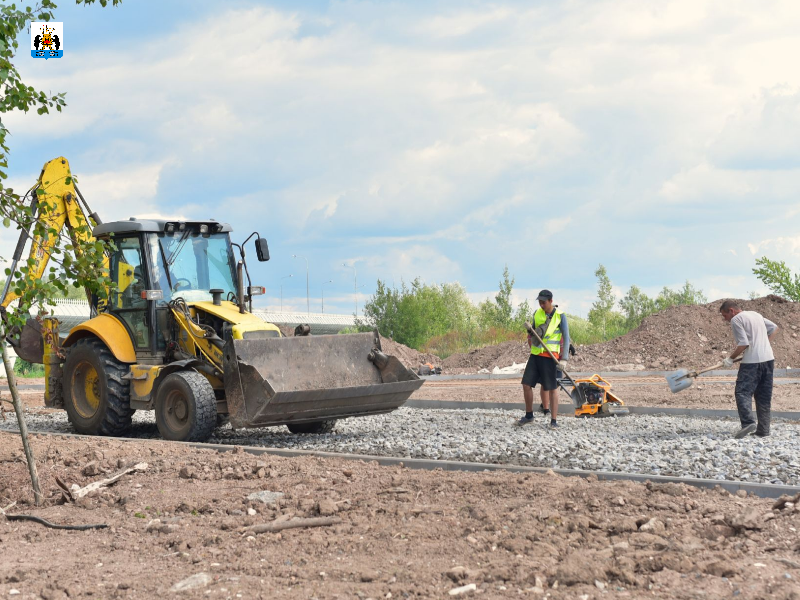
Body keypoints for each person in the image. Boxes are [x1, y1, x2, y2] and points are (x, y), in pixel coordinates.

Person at [719, 300, 779, 439]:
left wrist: (730, 358)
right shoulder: (756, 315)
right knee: (764, 396)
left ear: (731, 311)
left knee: (742, 392)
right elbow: (775, 328)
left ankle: (748, 423)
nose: (725, 319)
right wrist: (763, 343)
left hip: (752, 362)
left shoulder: (737, 319)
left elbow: (744, 343)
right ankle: (763, 430)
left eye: (725, 315)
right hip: (768, 359)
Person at [518, 290, 570, 429]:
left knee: (552, 388)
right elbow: (534, 335)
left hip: (550, 357)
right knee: (526, 385)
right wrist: (530, 330)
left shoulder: (560, 316)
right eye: (539, 302)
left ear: (551, 301)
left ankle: (553, 421)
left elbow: (567, 338)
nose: (541, 304)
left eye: (544, 302)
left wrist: (564, 359)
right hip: (535, 356)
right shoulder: (537, 313)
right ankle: (529, 415)